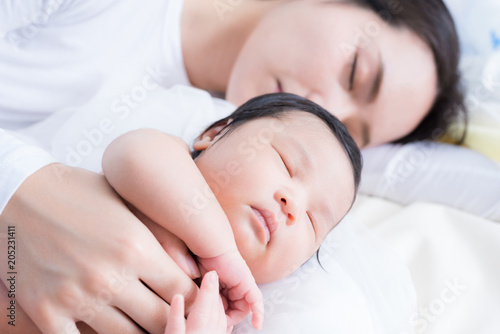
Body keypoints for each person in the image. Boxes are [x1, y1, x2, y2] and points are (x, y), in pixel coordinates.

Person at [0, 0, 462, 332]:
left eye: (354, 130)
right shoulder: (183, 145)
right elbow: (133, 156)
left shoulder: (228, 297)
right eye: (354, 72)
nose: (321, 106)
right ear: (213, 133)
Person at [1, 93, 363, 333]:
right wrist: (221, 251)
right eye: (285, 163)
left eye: (313, 222)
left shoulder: (215, 315)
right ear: (215, 133)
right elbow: (129, 155)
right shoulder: (172, 166)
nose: (293, 204)